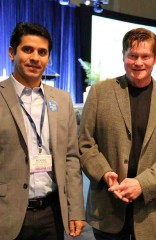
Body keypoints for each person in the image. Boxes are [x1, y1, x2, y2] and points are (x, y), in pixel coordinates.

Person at [78, 28, 156, 240]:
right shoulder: (100, 93)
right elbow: (85, 144)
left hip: (151, 212)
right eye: (132, 56)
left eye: (145, 56)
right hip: (107, 206)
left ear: (155, 58)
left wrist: (141, 184)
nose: (138, 63)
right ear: (123, 56)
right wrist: (104, 173)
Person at [0, 22, 85, 239]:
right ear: (11, 52)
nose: (35, 58)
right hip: (6, 214)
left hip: (52, 214)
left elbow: (71, 158)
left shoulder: (62, 100)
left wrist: (75, 208)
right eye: (27, 49)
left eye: (42, 52)